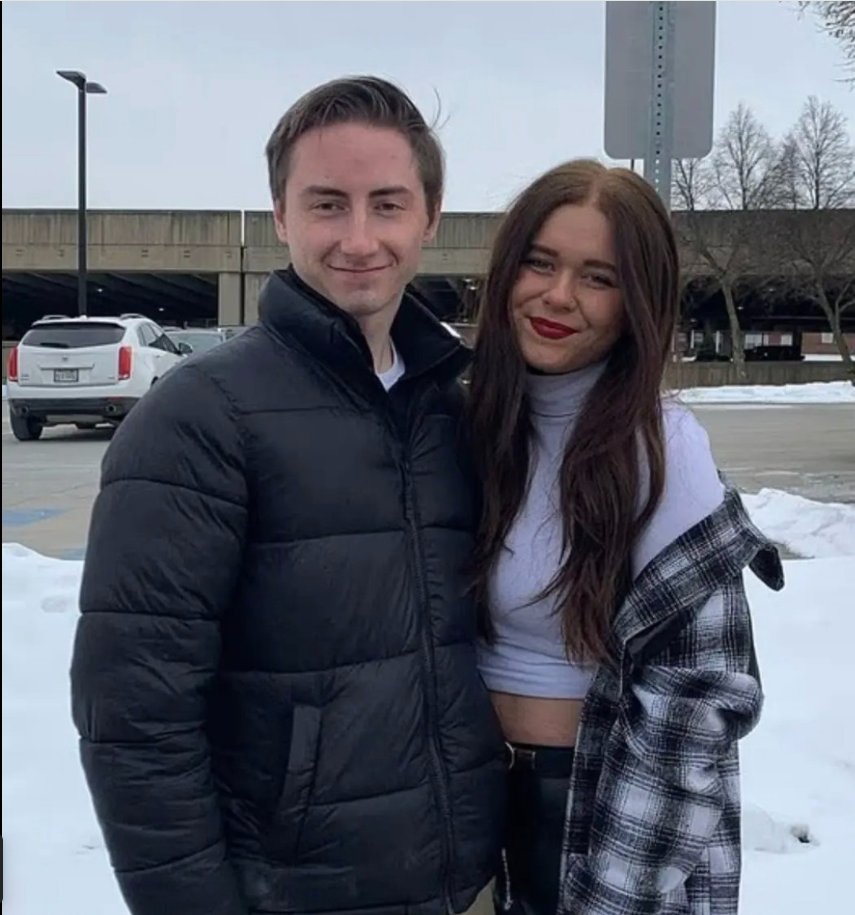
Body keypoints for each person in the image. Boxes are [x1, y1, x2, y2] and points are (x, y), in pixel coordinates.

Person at [70, 76, 506, 915]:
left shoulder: (455, 409)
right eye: (325, 204)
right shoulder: (200, 417)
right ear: (279, 216)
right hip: (294, 894)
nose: (358, 237)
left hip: (467, 884)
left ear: (430, 216)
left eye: (386, 204)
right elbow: (135, 724)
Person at [467, 160, 785, 915]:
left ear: (636, 301)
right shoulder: (465, 422)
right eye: (539, 263)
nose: (557, 296)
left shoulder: (662, 449)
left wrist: (619, 890)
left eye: (597, 277)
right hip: (460, 801)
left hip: (594, 806)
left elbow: (698, 702)